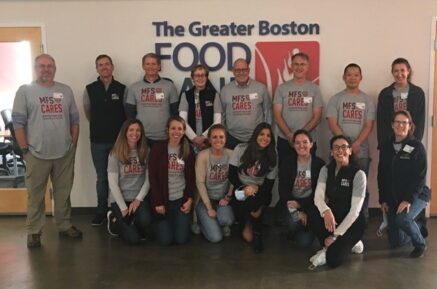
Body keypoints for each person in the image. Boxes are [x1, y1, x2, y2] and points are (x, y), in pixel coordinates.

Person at [12, 54, 81, 248]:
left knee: (63, 192)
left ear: (55, 68)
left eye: (49, 66)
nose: (46, 69)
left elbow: (75, 121)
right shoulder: (25, 91)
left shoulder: (65, 91)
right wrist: (25, 149)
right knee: (35, 195)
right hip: (36, 153)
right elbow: (18, 123)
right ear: (35, 68)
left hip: (64, 153)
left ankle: (64, 225)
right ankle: (34, 231)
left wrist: (73, 145)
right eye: (41, 66)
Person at [326, 63, 375, 221]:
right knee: (337, 186)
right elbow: (333, 123)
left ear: (361, 78)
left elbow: (369, 125)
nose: (352, 78)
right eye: (349, 75)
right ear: (344, 77)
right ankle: (339, 218)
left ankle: (362, 218)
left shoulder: (367, 100)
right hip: (339, 152)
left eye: (356, 75)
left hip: (361, 151)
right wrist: (345, 145)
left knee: (362, 188)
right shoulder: (336, 99)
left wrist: (357, 143)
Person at [309, 135, 366, 268]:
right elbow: (318, 197)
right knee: (313, 212)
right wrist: (326, 210)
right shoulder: (325, 170)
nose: (340, 151)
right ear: (331, 152)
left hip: (353, 222)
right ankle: (337, 244)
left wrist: (335, 236)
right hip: (334, 216)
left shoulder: (359, 174)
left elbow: (355, 211)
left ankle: (349, 243)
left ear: (350, 151)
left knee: (333, 260)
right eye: (336, 147)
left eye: (344, 147)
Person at [378, 110, 429, 258]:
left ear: (409, 126)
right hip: (395, 197)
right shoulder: (386, 147)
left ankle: (420, 244)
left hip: (417, 195)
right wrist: (383, 200)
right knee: (396, 242)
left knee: (403, 219)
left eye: (404, 122)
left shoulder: (417, 147)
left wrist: (408, 199)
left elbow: (420, 178)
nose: (401, 125)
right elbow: (382, 175)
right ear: (392, 125)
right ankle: (419, 226)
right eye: (397, 122)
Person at [83, 54, 126, 226]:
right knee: (102, 178)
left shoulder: (122, 88)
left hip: (118, 141)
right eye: (100, 65)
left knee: (121, 177)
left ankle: (118, 209)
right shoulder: (90, 88)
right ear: (97, 68)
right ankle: (101, 211)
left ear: (112, 66)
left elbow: (126, 111)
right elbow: (87, 111)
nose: (104, 67)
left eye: (107, 64)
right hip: (98, 141)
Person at [229, 122, 277, 253]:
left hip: (261, 191)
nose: (265, 138)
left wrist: (256, 188)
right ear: (256, 135)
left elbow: (269, 185)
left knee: (254, 200)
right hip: (241, 188)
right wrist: (244, 187)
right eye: (262, 134)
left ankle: (258, 233)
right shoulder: (240, 148)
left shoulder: (273, 155)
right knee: (247, 237)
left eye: (268, 135)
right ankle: (253, 218)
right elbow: (231, 175)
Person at [148, 116, 195, 245]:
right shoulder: (158, 148)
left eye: (180, 129)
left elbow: (191, 178)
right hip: (163, 200)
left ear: (184, 131)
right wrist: (158, 202)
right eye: (173, 128)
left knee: (181, 240)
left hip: (180, 200)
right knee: (165, 241)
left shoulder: (188, 149)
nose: (176, 132)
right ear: (167, 130)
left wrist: (189, 199)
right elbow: (153, 177)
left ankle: (176, 220)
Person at [106, 119, 151, 245]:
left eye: (138, 130)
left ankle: (130, 221)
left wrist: (138, 200)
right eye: (131, 130)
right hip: (120, 199)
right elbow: (113, 184)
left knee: (146, 222)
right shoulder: (115, 153)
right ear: (125, 132)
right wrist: (124, 209)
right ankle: (113, 219)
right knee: (134, 239)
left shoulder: (146, 151)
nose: (135, 133)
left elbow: (148, 179)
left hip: (137, 199)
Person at [278, 129, 325, 248]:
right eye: (297, 143)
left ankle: (307, 226)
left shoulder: (319, 165)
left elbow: (320, 194)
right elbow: (283, 191)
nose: (301, 146)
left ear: (311, 144)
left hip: (310, 205)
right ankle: (294, 230)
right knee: (292, 222)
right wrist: (297, 211)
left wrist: (302, 206)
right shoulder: (287, 163)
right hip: (291, 205)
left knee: (304, 243)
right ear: (293, 145)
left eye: (305, 142)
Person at [273, 52, 323, 161]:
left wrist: (300, 137)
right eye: (296, 64)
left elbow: (317, 117)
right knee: (286, 173)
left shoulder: (314, 89)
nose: (299, 67)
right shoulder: (282, 88)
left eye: (302, 64)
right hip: (286, 139)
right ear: (291, 66)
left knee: (308, 174)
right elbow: (277, 115)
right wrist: (289, 135)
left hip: (308, 141)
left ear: (308, 66)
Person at [125, 53, 179, 146]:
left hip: (164, 137)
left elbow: (175, 114)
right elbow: (130, 116)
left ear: (159, 66)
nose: (151, 67)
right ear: (143, 66)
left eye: (154, 64)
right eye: (148, 64)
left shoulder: (169, 86)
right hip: (141, 137)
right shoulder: (134, 88)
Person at [220, 59, 272, 149]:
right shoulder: (225, 90)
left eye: (244, 70)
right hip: (232, 138)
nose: (241, 73)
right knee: (233, 163)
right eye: (237, 70)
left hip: (257, 138)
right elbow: (222, 115)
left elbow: (268, 112)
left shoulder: (261, 88)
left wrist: (266, 135)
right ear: (233, 71)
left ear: (248, 70)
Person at [195, 124, 234, 243]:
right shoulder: (203, 156)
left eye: (221, 137)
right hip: (205, 201)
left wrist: (228, 197)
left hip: (222, 200)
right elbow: (200, 183)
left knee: (227, 220)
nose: (218, 140)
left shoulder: (231, 154)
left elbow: (234, 180)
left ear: (226, 139)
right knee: (216, 238)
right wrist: (209, 208)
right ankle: (202, 223)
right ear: (210, 140)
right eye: (214, 137)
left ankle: (217, 223)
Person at [377, 58, 425, 149]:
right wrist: (383, 144)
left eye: (402, 70)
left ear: (408, 71)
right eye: (396, 71)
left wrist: (414, 143)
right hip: (389, 142)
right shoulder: (384, 94)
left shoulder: (418, 93)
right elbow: (381, 123)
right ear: (392, 73)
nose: (399, 74)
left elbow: (420, 121)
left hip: (411, 142)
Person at [179, 64, 222, 151]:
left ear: (206, 77)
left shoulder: (214, 95)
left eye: (203, 75)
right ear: (192, 78)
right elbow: (182, 120)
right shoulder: (186, 95)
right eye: (197, 75)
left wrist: (203, 137)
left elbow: (217, 121)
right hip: (190, 142)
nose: (200, 78)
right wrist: (194, 138)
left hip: (209, 141)